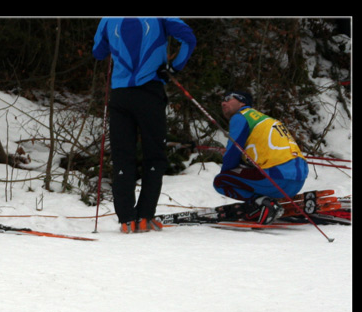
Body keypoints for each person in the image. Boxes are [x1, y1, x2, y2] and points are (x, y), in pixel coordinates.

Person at [92, 17, 197, 232]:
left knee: (123, 156)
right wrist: (174, 67)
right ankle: (145, 216)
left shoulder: (108, 20)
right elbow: (189, 39)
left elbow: (98, 52)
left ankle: (126, 219)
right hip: (150, 92)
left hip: (120, 95)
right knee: (154, 156)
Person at [213, 90, 308, 223]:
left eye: (228, 98)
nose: (223, 102)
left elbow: (232, 154)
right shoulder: (266, 119)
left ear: (242, 102)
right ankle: (270, 202)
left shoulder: (241, 116)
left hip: (277, 179)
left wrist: (228, 175)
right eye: (222, 100)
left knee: (221, 181)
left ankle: (263, 203)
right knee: (243, 171)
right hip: (297, 182)